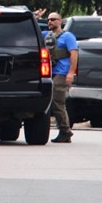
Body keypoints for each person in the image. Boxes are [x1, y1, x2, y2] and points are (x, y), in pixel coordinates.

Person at [42, 12, 79, 143]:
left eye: (53, 19)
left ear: (60, 21)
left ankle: (65, 131)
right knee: (52, 102)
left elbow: (74, 55)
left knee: (57, 102)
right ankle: (64, 132)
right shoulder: (46, 35)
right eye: (48, 20)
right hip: (49, 72)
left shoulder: (68, 36)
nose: (50, 22)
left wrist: (70, 73)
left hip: (62, 73)